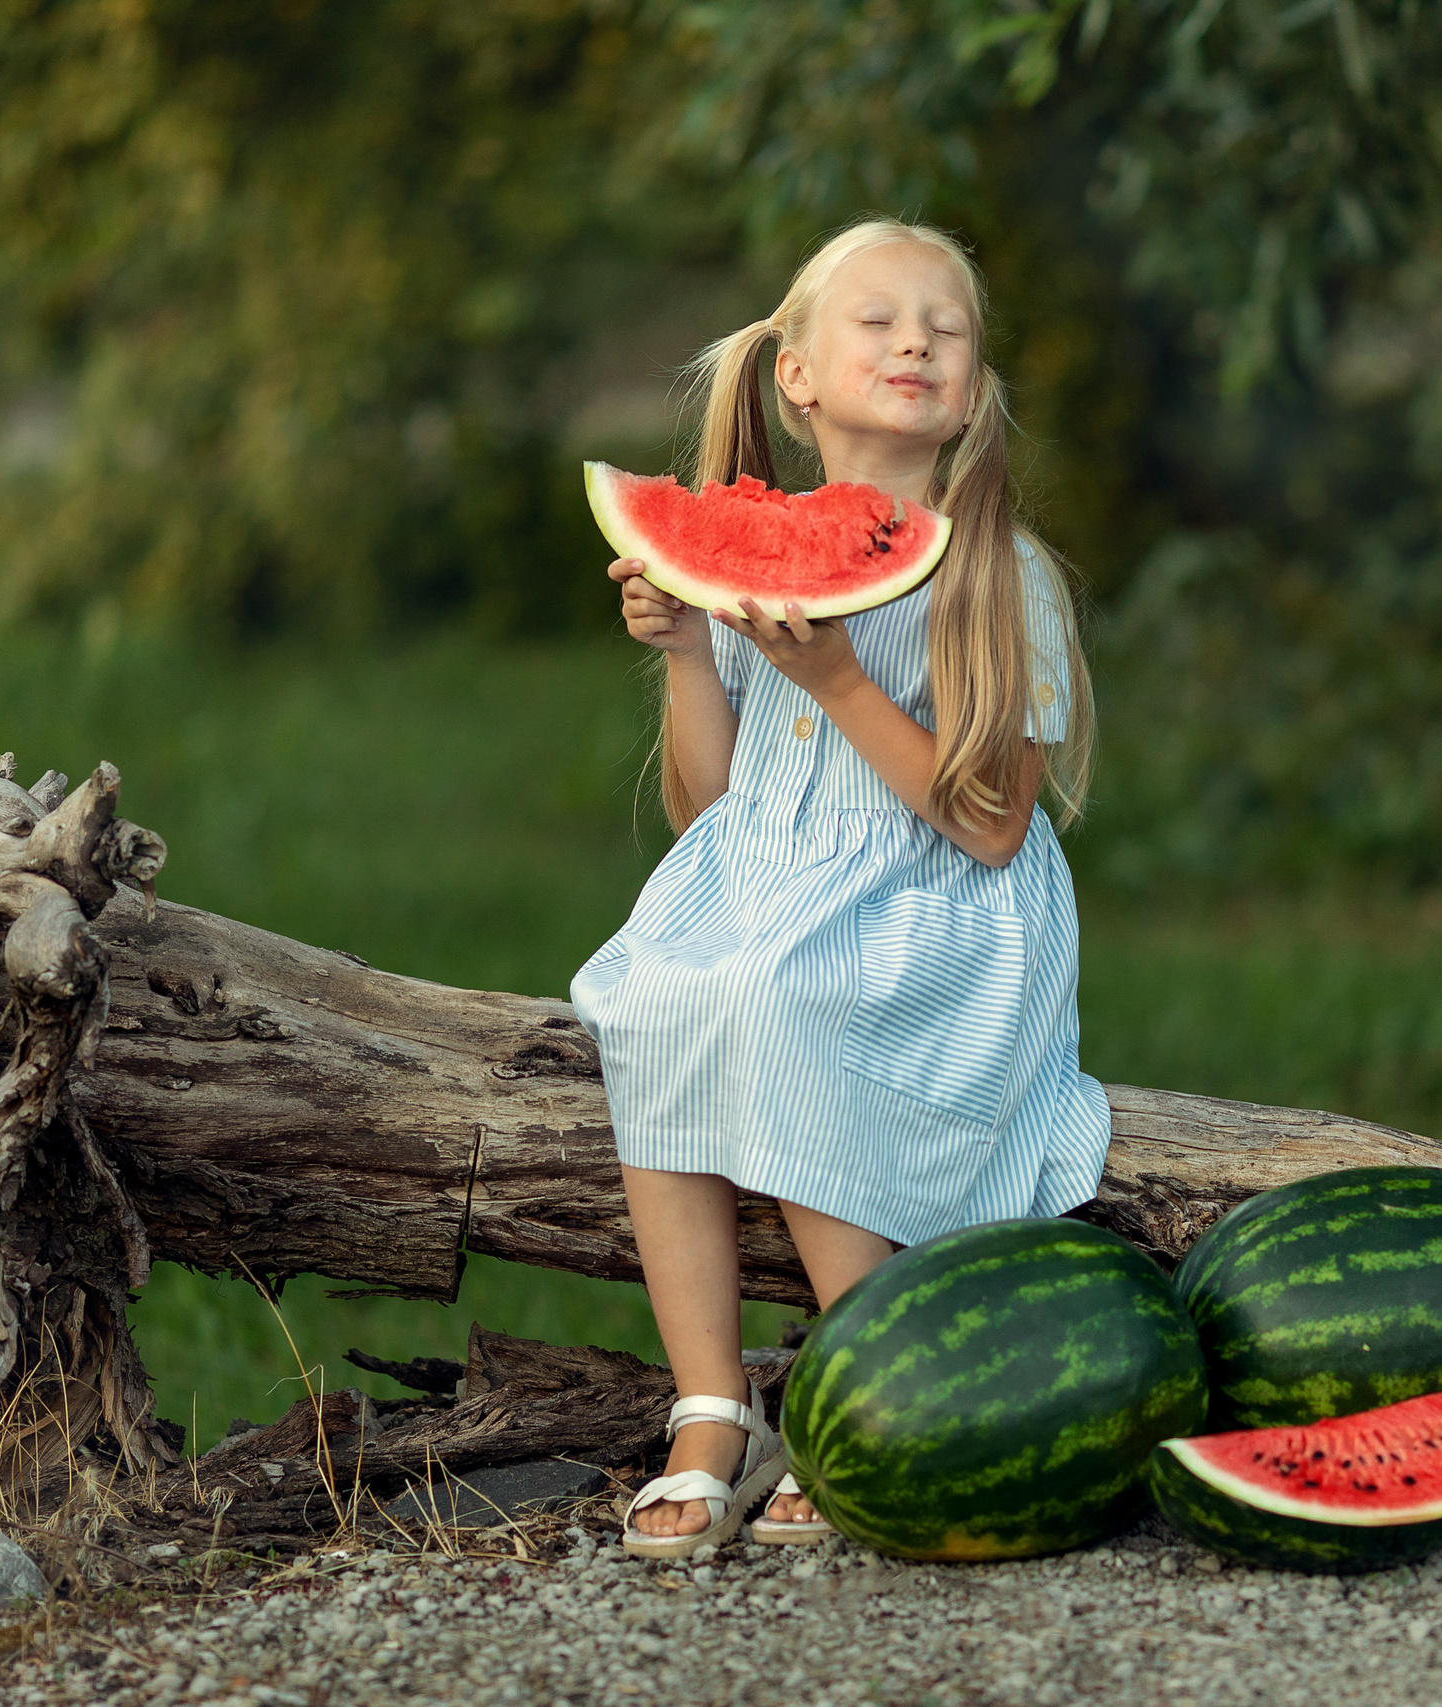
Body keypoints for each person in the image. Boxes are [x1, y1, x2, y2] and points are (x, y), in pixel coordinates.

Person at [570, 217, 1110, 1557]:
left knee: (781, 989)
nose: (918, 338)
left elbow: (990, 828)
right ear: (797, 376)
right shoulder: (757, 560)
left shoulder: (1005, 576)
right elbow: (708, 809)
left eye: (948, 324)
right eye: (878, 318)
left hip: (944, 907)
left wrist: (838, 681)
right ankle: (710, 1405)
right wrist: (693, 645)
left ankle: (851, 1388)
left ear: (972, 393)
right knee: (654, 992)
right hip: (766, 878)